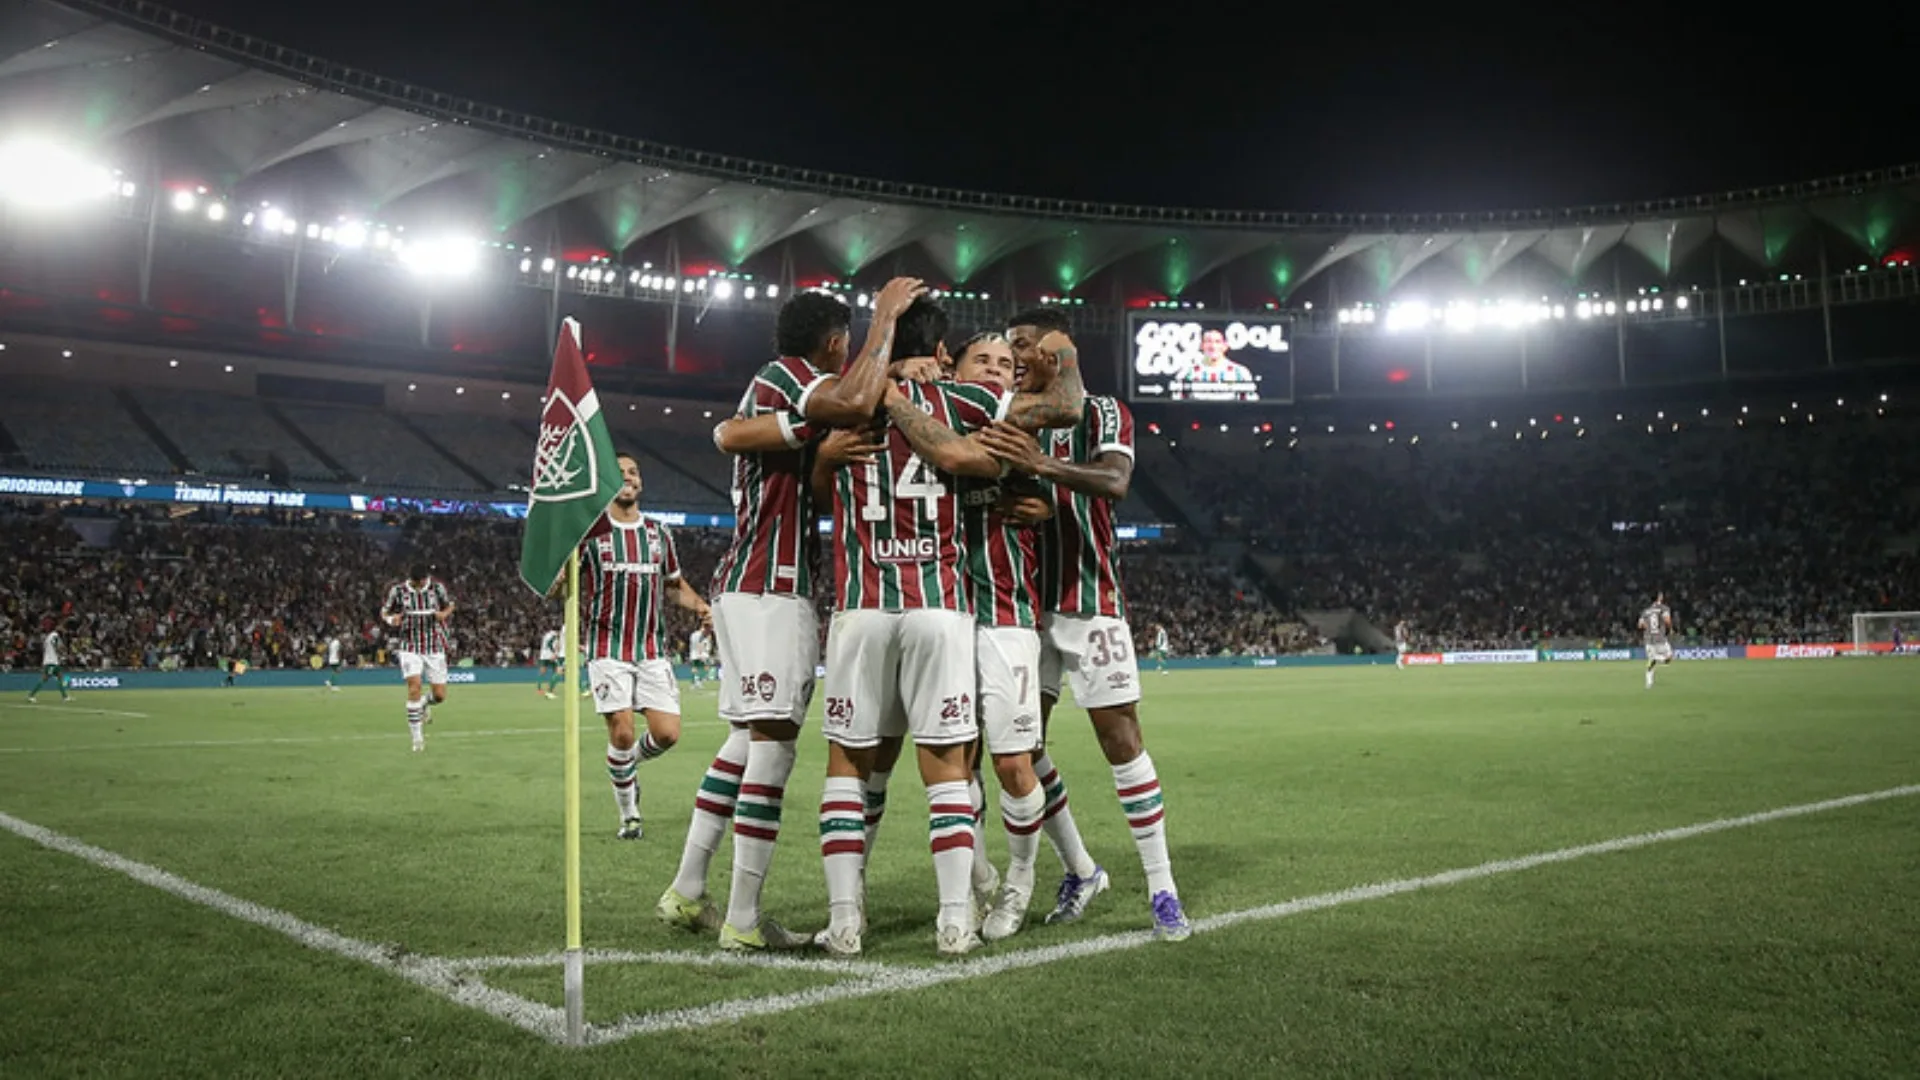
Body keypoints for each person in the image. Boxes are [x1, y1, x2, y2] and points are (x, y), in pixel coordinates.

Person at [655, 276, 926, 952]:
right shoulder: (794, 377)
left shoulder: (776, 391)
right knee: (773, 752)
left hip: (753, 586)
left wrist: (820, 462)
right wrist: (887, 321)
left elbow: (784, 466)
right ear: (835, 342)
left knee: (745, 744)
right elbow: (854, 399)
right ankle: (744, 919)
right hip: (770, 590)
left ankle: (688, 889)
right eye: (849, 341)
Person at [812, 296, 1085, 957]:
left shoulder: (849, 396)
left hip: (897, 606)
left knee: (864, 766)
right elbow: (1010, 440)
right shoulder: (966, 405)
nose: (995, 368)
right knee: (948, 770)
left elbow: (817, 483)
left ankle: (854, 919)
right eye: (980, 358)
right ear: (946, 357)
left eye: (1003, 360)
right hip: (943, 609)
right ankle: (959, 912)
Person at [976, 308, 1194, 941]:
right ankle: (1080, 869)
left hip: (1088, 600)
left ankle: (1163, 889)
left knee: (1120, 742)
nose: (1013, 356)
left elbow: (1115, 481)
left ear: (1054, 350)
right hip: (1018, 609)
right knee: (1022, 748)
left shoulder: (1101, 412)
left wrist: (1041, 469)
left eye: (1022, 345)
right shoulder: (1006, 413)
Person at [581, 452, 713, 840]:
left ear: (641, 482)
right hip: (606, 646)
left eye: (634, 472)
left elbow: (674, 586)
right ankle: (630, 816)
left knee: (668, 733)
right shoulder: (590, 533)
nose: (628, 477)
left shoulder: (658, 533)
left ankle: (625, 767)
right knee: (621, 732)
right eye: (620, 473)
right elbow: (563, 584)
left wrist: (701, 605)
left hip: (651, 649)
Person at [382, 563, 455, 752]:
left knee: (439, 696)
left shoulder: (437, 588)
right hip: (409, 646)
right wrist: (391, 620)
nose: (421, 584)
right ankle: (417, 739)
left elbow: (450, 606)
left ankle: (424, 703)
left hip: (434, 646)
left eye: (423, 581)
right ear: (412, 580)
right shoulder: (398, 591)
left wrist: (442, 615)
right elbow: (385, 611)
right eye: (417, 582)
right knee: (414, 688)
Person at [28, 623, 71, 703]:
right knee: (45, 678)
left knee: (60, 677)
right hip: (51, 661)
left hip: (53, 661)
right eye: (61, 627)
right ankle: (31, 695)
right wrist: (62, 653)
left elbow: (46, 648)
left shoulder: (49, 637)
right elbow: (56, 645)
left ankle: (65, 697)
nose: (63, 629)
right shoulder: (55, 635)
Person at [1640, 593, 1675, 689]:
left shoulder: (1646, 611)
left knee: (1651, 662)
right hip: (1660, 638)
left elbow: (1640, 625)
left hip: (1649, 639)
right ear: (1659, 598)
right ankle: (1660, 659)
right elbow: (1667, 620)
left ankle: (1649, 683)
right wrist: (1670, 629)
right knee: (1669, 658)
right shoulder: (1663, 608)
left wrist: (1649, 629)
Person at [537, 628, 563, 699]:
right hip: (550, 655)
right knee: (556, 671)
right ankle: (551, 690)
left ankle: (539, 689)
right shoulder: (554, 636)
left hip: (543, 655)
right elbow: (550, 644)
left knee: (542, 672)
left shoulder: (546, 635)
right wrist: (554, 652)